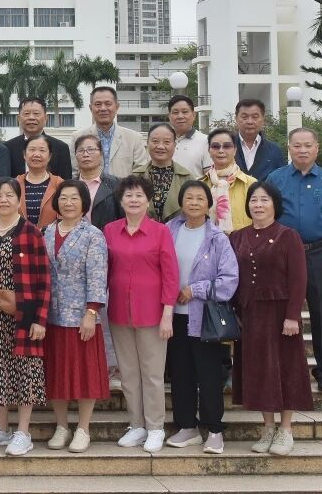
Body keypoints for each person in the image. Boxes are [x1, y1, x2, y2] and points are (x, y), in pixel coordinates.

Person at [230, 182, 313, 456]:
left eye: (264, 200)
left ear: (275, 204)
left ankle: (286, 429)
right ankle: (267, 427)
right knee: (259, 370)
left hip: (280, 314)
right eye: (254, 200)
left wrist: (293, 316)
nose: (258, 205)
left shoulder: (288, 236)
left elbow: (299, 279)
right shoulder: (237, 237)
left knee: (286, 368)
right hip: (250, 314)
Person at [266, 127, 322, 393]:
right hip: (283, 255)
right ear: (289, 148)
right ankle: (280, 369)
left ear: (317, 148)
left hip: (319, 253)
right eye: (297, 145)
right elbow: (265, 215)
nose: (302, 150)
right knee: (279, 312)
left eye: (308, 145)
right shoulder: (276, 179)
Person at [0, 179, 50, 457]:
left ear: (19, 200)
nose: (3, 200)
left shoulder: (31, 233)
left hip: (24, 313)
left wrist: (40, 318)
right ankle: (2, 428)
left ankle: (23, 432)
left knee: (25, 368)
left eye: (9, 195)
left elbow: (44, 279)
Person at [102, 174, 179, 454]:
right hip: (120, 312)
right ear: (121, 201)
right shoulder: (110, 230)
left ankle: (156, 427)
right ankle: (136, 425)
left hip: (153, 313)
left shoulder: (160, 232)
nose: (133, 200)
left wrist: (168, 312)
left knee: (153, 374)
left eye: (139, 195)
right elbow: (104, 269)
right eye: (128, 195)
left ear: (148, 201)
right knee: (128, 373)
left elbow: (171, 274)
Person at [164, 180, 239, 455]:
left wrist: (194, 290)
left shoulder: (217, 238)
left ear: (209, 204)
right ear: (181, 202)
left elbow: (229, 280)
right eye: (189, 197)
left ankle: (215, 430)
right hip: (174, 317)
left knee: (209, 376)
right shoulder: (168, 231)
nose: (194, 203)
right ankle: (187, 426)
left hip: (205, 318)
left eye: (200, 198)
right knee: (180, 374)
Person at [42, 180, 109, 454]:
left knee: (85, 373)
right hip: (51, 315)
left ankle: (83, 428)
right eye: (64, 198)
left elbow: (98, 275)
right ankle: (61, 426)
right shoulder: (47, 231)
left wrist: (91, 312)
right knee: (56, 372)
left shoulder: (93, 235)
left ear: (84, 203)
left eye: (74, 198)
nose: (68, 203)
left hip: (81, 316)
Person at [72, 87, 148, 179]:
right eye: (98, 104)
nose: (103, 108)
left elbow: (140, 173)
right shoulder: (78, 137)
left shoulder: (134, 138)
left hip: (124, 188)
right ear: (91, 108)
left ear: (117, 106)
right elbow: (74, 172)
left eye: (108, 104)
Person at [132, 123, 198, 222]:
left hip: (177, 231)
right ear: (147, 143)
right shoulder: (135, 177)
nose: (160, 146)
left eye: (167, 142)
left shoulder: (187, 178)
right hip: (142, 230)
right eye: (155, 141)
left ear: (174, 145)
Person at [205, 128, 257, 233]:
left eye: (227, 146)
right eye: (215, 146)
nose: (221, 151)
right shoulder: (201, 185)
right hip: (208, 241)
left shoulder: (251, 184)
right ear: (209, 151)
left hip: (243, 241)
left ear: (235, 150)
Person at [6, 97, 72, 179]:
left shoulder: (61, 148)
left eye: (36, 113)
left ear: (46, 118)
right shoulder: (7, 148)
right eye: (26, 113)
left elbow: (66, 182)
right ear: (19, 118)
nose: (31, 117)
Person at [73, 134, 123, 230]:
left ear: (101, 154)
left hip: (107, 237)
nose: (85, 154)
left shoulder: (117, 185)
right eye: (81, 150)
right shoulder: (68, 186)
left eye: (91, 149)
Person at [233, 98, 286, 180]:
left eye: (255, 117)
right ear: (236, 118)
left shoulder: (274, 150)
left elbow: (281, 180)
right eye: (244, 117)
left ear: (263, 119)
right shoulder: (226, 147)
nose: (250, 122)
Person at [17, 135, 63, 229]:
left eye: (42, 150)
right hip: (19, 237)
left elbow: (64, 217)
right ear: (24, 154)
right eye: (32, 149)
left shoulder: (60, 184)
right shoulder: (14, 184)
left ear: (49, 156)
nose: (36, 154)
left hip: (50, 237)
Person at [168, 95, 212, 175]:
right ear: (169, 116)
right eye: (175, 112)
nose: (180, 116)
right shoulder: (163, 142)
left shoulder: (206, 141)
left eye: (185, 112)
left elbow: (209, 176)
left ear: (194, 115)